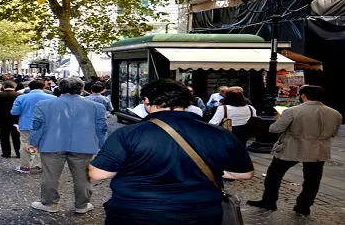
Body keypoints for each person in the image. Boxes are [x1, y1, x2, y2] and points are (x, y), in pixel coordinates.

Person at [88, 79, 254, 224]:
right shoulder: (220, 134)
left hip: (137, 212)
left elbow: (97, 174)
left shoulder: (128, 134)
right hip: (200, 213)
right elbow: (245, 174)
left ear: (147, 100)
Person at [247, 85, 342, 216]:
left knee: (274, 175)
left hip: (292, 147)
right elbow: (334, 133)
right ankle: (303, 206)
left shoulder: (293, 111)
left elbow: (275, 129)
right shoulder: (335, 113)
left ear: (303, 95)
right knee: (312, 180)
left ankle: (269, 201)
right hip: (319, 150)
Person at [27, 77, 106, 214]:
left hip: (51, 144)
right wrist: (101, 144)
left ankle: (49, 203)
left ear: (60, 88)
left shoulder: (44, 105)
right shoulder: (96, 107)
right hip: (84, 145)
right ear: (81, 89)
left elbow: (37, 126)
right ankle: (82, 204)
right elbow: (101, 128)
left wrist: (33, 143)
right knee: (83, 177)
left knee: (50, 176)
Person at [11, 80, 56, 174]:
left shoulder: (21, 97)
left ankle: (25, 166)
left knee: (25, 144)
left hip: (26, 124)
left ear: (29, 87)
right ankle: (42, 165)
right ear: (44, 87)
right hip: (46, 125)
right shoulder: (53, 98)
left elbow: (15, 112)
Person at [0, 81, 22, 158]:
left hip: (1, 118)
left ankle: (6, 153)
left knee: (3, 137)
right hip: (15, 118)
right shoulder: (20, 95)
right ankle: (19, 153)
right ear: (14, 87)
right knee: (17, 136)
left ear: (3, 86)